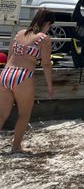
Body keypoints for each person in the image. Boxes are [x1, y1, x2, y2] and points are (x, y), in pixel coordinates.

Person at [0, 8, 55, 154]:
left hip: (6, 73)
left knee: (2, 114)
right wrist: (50, 86)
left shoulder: (19, 34)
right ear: (48, 23)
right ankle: (16, 146)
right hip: (22, 76)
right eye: (50, 25)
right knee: (24, 114)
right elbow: (46, 64)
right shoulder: (44, 39)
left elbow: (10, 55)